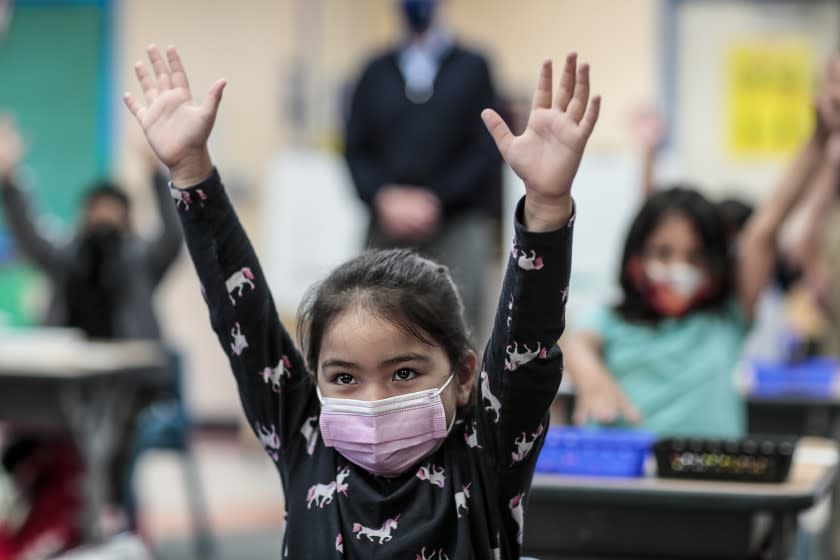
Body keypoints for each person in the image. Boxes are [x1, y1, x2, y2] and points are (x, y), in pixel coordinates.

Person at [123, 45, 598, 558]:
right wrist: (191, 169)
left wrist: (548, 208)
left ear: (463, 377)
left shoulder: (486, 453)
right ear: (314, 379)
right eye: (345, 378)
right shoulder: (304, 437)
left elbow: (527, 342)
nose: (373, 403)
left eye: (404, 373)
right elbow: (239, 307)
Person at [564, 58, 840, 438]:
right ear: (635, 259)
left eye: (695, 257)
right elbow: (577, 341)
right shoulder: (611, 322)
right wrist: (590, 373)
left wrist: (820, 135)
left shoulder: (726, 320)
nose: (678, 268)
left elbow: (765, 227)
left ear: (716, 263)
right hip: (629, 489)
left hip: (714, 489)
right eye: (662, 253)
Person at [0, 117, 183, 555]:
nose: (102, 218)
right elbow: (29, 231)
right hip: (65, 390)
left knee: (109, 441)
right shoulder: (66, 258)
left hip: (131, 392)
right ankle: (55, 522)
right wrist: (9, 178)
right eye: (94, 210)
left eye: (111, 210)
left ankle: (110, 523)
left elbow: (174, 236)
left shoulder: (141, 261)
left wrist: (158, 173)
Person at [344, 0, 502, 339]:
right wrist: (384, 197)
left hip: (457, 224)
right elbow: (355, 148)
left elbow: (485, 148)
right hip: (387, 226)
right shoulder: (374, 71)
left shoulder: (473, 68)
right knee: (375, 329)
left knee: (460, 332)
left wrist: (436, 200)